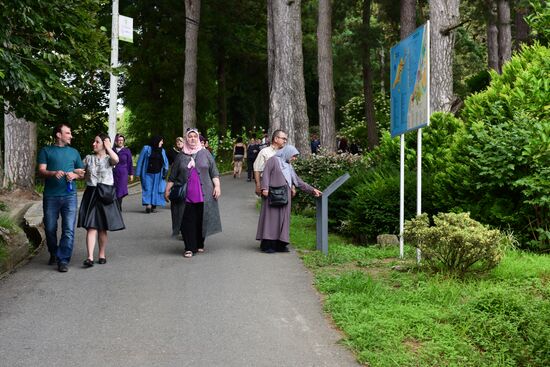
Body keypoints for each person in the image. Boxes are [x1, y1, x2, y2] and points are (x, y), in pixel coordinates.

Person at [164, 128, 222, 257]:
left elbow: (214, 172)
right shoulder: (180, 156)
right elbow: (173, 176)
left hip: (204, 194)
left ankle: (200, 243)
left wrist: (217, 186)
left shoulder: (205, 154)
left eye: (194, 137)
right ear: (186, 139)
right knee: (187, 220)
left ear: (198, 138)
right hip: (185, 195)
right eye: (189, 137)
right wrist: (167, 190)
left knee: (201, 219)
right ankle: (189, 247)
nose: (192, 139)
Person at [256, 145, 322, 253]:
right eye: (294, 156)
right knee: (271, 219)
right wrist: (264, 188)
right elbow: (266, 174)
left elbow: (297, 181)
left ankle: (280, 244)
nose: (294, 158)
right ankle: (268, 245)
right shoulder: (273, 160)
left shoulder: (288, 166)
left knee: (283, 220)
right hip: (272, 195)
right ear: (287, 153)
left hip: (285, 197)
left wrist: (312, 190)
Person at [37, 123, 85, 272]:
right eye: (68, 133)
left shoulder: (74, 152)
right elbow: (41, 171)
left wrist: (75, 175)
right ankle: (53, 252)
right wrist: (53, 173)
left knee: (68, 230)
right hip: (51, 196)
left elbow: (83, 172)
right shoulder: (46, 150)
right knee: (50, 228)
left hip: (70, 196)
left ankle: (63, 260)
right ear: (59, 135)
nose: (71, 136)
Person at [78, 133, 125, 267]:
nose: (94, 144)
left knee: (102, 228)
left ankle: (102, 254)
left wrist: (109, 147)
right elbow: (81, 174)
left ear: (104, 144)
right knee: (91, 227)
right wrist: (76, 174)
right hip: (91, 193)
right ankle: (90, 257)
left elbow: (117, 160)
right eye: (94, 141)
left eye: (97, 142)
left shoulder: (109, 158)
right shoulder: (88, 158)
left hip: (105, 194)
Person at [136, 135, 169, 213]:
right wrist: (137, 173)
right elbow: (140, 161)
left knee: (156, 190)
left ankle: (153, 205)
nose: (162, 142)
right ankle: (148, 205)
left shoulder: (162, 150)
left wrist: (165, 172)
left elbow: (165, 162)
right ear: (156, 141)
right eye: (161, 141)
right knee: (147, 188)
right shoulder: (146, 148)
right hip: (147, 173)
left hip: (158, 174)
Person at [253, 129, 287, 196]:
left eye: (286, 139)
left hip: (282, 187)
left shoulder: (285, 153)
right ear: (276, 139)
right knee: (267, 206)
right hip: (267, 187)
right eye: (283, 139)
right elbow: (257, 169)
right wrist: (258, 185)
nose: (285, 141)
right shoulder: (265, 152)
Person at [112, 134, 134, 210]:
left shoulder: (127, 151)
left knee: (121, 190)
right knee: (114, 189)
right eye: (119, 140)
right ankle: (115, 205)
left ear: (124, 141)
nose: (120, 142)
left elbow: (130, 162)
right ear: (116, 141)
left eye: (122, 140)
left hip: (123, 173)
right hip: (113, 173)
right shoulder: (112, 150)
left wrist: (131, 174)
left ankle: (118, 205)